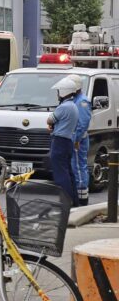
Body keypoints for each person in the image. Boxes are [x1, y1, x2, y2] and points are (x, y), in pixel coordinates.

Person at [47, 76, 81, 204]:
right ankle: (74, 200)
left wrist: (52, 124)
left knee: (61, 174)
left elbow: (50, 119)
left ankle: (65, 201)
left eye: (58, 91)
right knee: (68, 172)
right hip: (68, 141)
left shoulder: (63, 107)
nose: (57, 94)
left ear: (63, 91)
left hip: (59, 142)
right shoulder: (74, 106)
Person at [69, 74, 92, 206]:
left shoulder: (82, 101)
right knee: (75, 166)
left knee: (78, 166)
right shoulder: (76, 100)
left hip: (78, 140)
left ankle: (82, 197)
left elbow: (82, 124)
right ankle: (78, 194)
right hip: (75, 138)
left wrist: (75, 139)